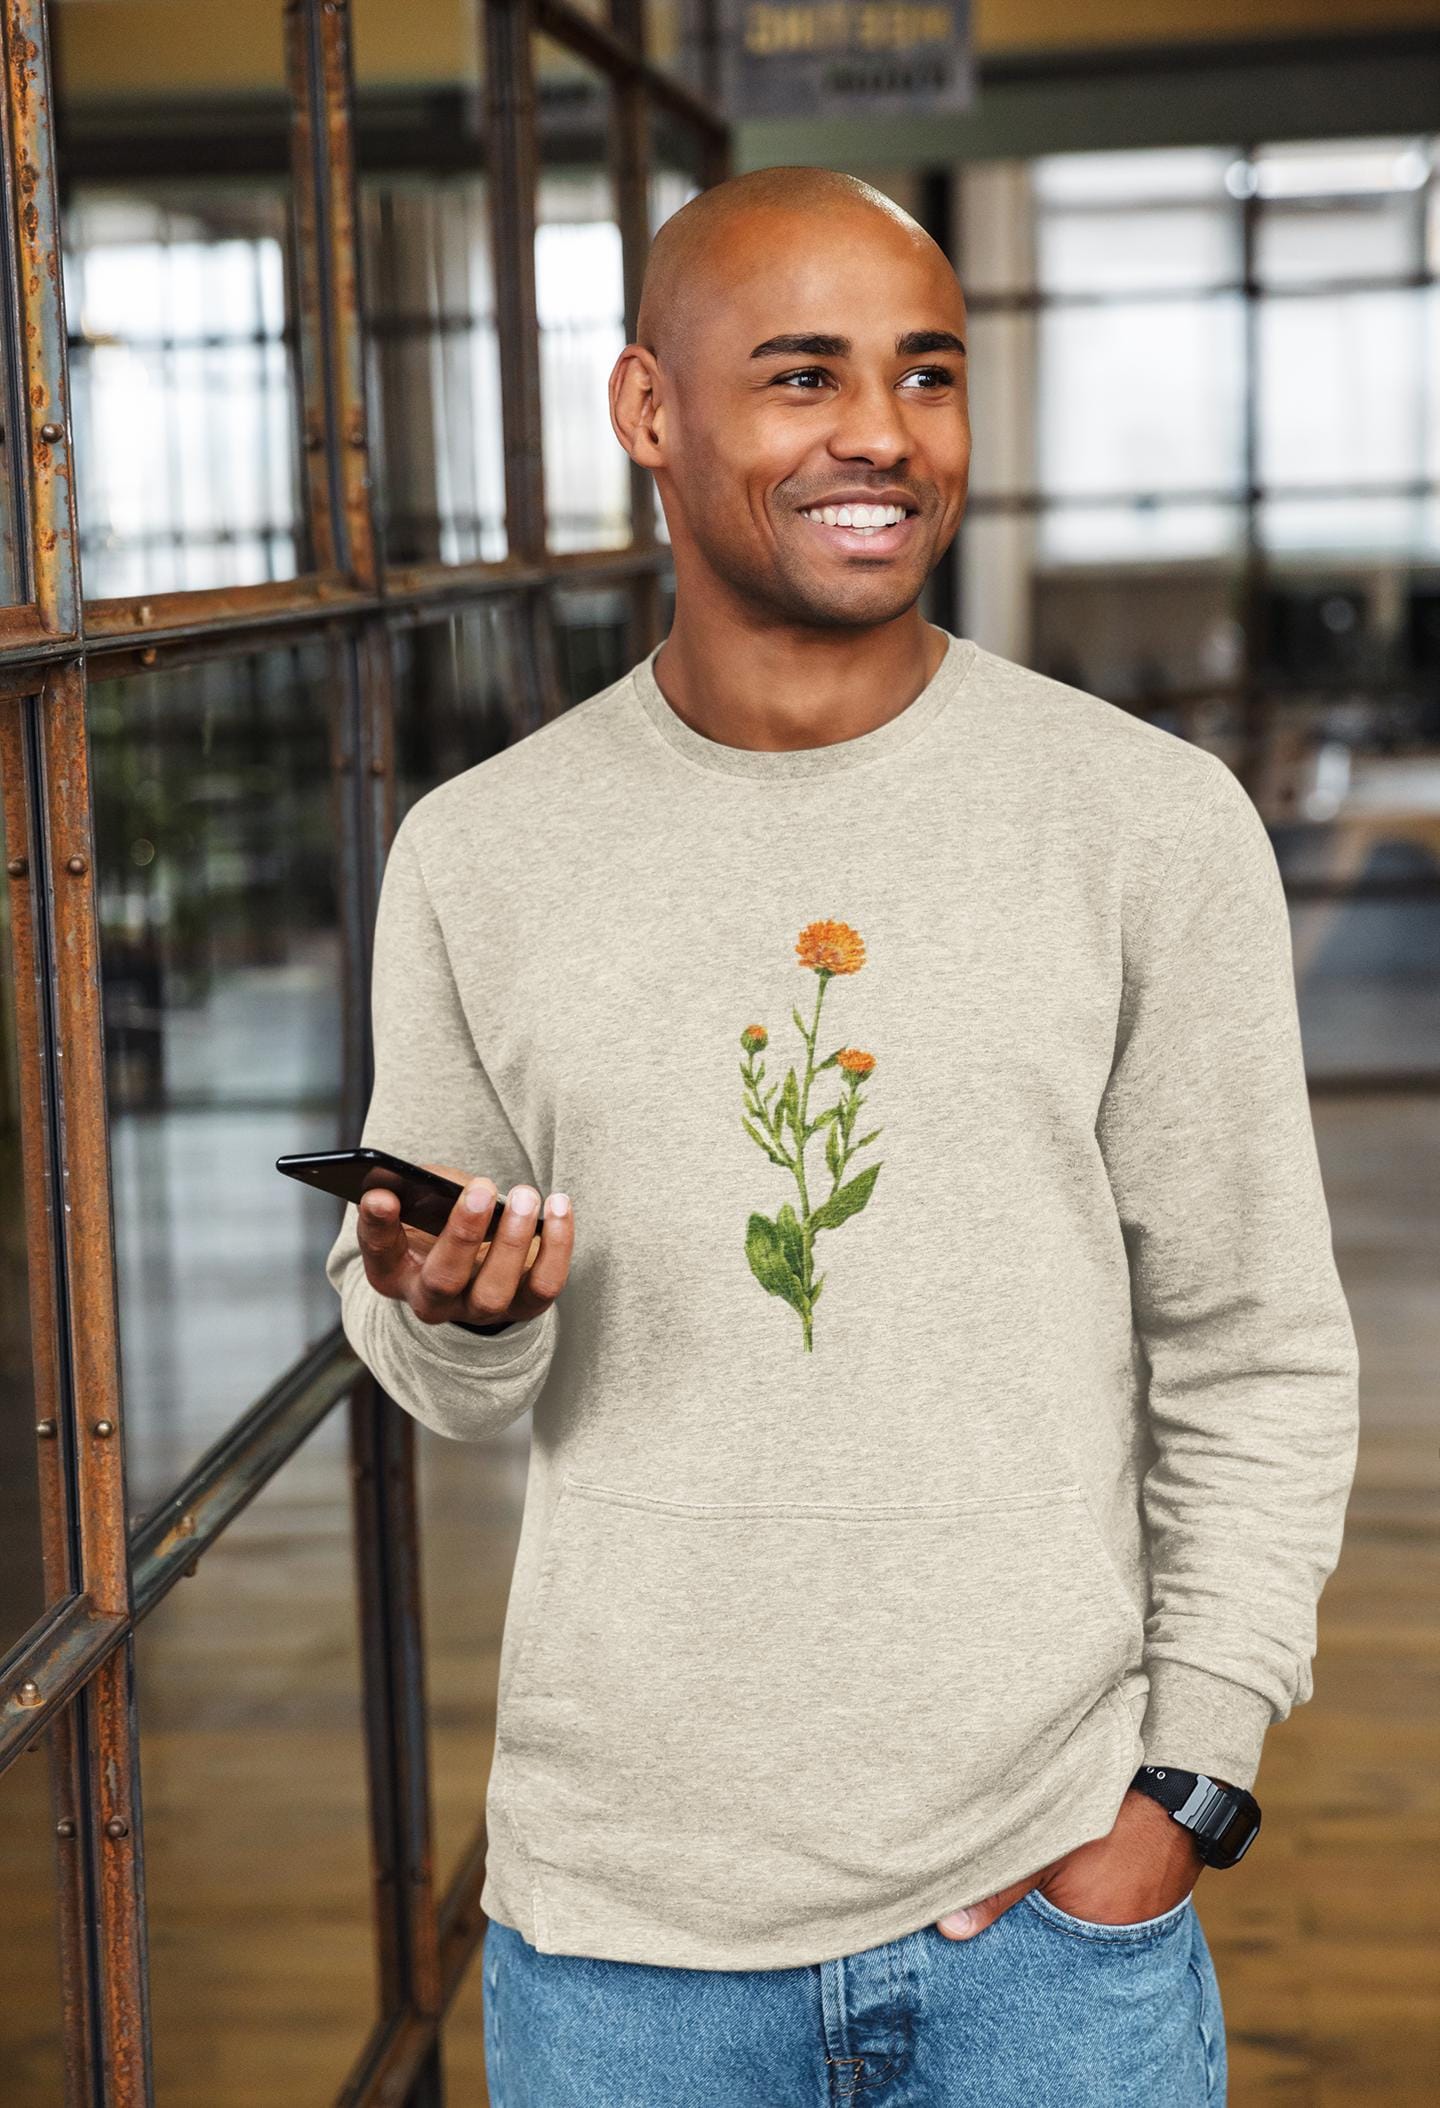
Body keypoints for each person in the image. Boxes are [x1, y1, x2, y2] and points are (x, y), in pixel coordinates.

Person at [323, 166, 1360, 2105]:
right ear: (650, 411)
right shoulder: (481, 852)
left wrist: (1183, 1790)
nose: (881, 432)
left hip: (1053, 1919)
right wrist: (456, 1306)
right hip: (626, 1939)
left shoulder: (1145, 824)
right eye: (803, 376)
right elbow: (448, 1385)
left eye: (929, 373)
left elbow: (1253, 1340)